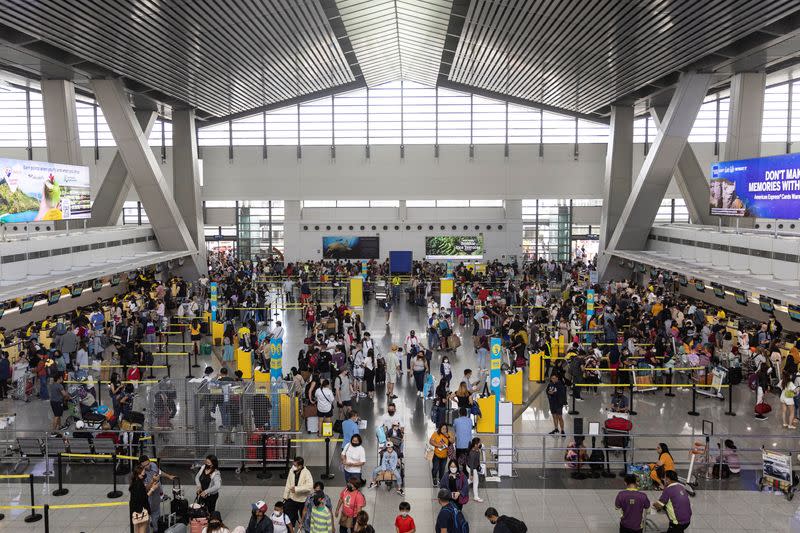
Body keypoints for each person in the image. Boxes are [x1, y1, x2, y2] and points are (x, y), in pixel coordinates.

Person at [139, 455, 176, 531]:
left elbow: (159, 472)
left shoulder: (153, 465)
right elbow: (145, 489)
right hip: (148, 497)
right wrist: (153, 481)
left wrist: (168, 476)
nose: (147, 466)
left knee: (156, 514)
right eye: (145, 465)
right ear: (141, 465)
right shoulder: (140, 474)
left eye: (148, 464)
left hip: (156, 494)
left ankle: (156, 529)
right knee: (146, 518)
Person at [283, 456, 314, 527]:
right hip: (292, 498)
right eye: (293, 464)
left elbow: (309, 486)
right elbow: (288, 483)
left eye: (295, 465)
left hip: (303, 500)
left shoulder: (307, 473)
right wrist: (285, 496)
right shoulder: (291, 471)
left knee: (305, 517)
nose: (293, 466)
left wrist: (296, 489)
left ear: (300, 466)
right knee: (291, 517)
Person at [129, 464, 157, 533]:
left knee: (136, 530)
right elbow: (144, 498)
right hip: (141, 511)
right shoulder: (139, 484)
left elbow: (141, 493)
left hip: (134, 510)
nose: (144, 471)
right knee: (142, 530)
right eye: (143, 470)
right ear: (139, 473)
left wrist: (152, 482)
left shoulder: (134, 482)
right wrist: (152, 489)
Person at [466, 437, 484, 502]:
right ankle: (476, 497)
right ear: (475, 445)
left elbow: (477, 460)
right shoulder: (472, 453)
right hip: (471, 468)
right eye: (479, 443)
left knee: (471, 481)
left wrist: (479, 467)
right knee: (475, 481)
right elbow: (471, 465)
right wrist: (471, 474)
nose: (480, 444)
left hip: (474, 467)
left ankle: (460, 485)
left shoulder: (477, 449)